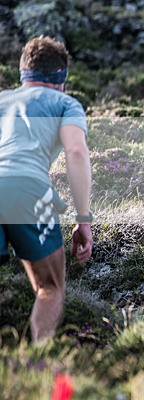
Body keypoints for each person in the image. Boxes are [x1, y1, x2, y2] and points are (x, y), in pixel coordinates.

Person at [0, 36, 93, 343]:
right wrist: (83, 220)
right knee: (50, 287)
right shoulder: (64, 103)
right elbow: (76, 153)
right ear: (60, 78)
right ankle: (36, 364)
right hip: (30, 190)